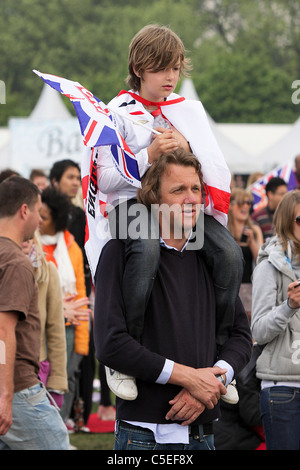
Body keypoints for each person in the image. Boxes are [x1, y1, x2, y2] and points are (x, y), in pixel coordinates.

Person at [95, 24, 244, 401]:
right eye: (162, 67)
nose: (171, 77)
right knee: (144, 251)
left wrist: (187, 146)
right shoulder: (116, 111)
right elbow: (106, 179)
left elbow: (211, 168)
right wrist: (150, 154)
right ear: (139, 67)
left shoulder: (189, 110)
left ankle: (218, 358)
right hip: (132, 207)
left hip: (182, 208)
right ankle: (125, 357)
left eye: (176, 68)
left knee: (229, 254)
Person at [93, 149, 252, 450]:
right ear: (154, 198)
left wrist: (211, 382)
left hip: (202, 432)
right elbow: (111, 343)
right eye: (178, 190)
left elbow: (240, 336)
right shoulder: (120, 252)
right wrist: (191, 378)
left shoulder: (214, 258)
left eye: (196, 189)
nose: (191, 199)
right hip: (143, 435)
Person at [0, 176, 69, 450]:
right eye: (39, 212)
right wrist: (6, 395)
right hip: (16, 387)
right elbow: (4, 333)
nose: (41, 221)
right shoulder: (16, 262)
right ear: (24, 211)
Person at [38, 186, 90, 431]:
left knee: (64, 382)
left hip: (70, 329)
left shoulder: (72, 248)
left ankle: (58, 435)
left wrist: (81, 343)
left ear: (57, 218)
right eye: (37, 214)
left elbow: (81, 299)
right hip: (39, 330)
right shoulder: (30, 247)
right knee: (39, 384)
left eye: (44, 217)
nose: (38, 221)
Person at [251, 190, 300, 450]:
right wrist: (289, 306)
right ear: (285, 223)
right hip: (283, 390)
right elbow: (258, 330)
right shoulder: (268, 267)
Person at [49, 159, 94, 426]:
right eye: (70, 177)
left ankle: (73, 417)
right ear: (55, 181)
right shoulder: (44, 220)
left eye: (79, 177)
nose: (76, 182)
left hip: (80, 291)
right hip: (53, 296)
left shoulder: (81, 215)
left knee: (78, 359)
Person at [22, 233, 68, 410]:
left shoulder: (48, 272)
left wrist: (57, 383)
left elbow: (56, 332)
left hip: (36, 372)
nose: (26, 239)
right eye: (22, 234)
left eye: (30, 235)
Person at [227, 188, 263, 320]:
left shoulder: (255, 229)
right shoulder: (224, 230)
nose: (246, 206)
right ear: (230, 206)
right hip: (230, 287)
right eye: (241, 202)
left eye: (249, 203)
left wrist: (252, 242)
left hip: (251, 286)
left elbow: (261, 261)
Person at [251, 177, 288, 242]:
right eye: (282, 194)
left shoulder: (289, 216)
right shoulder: (257, 217)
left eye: (286, 194)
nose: (285, 197)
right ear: (270, 194)